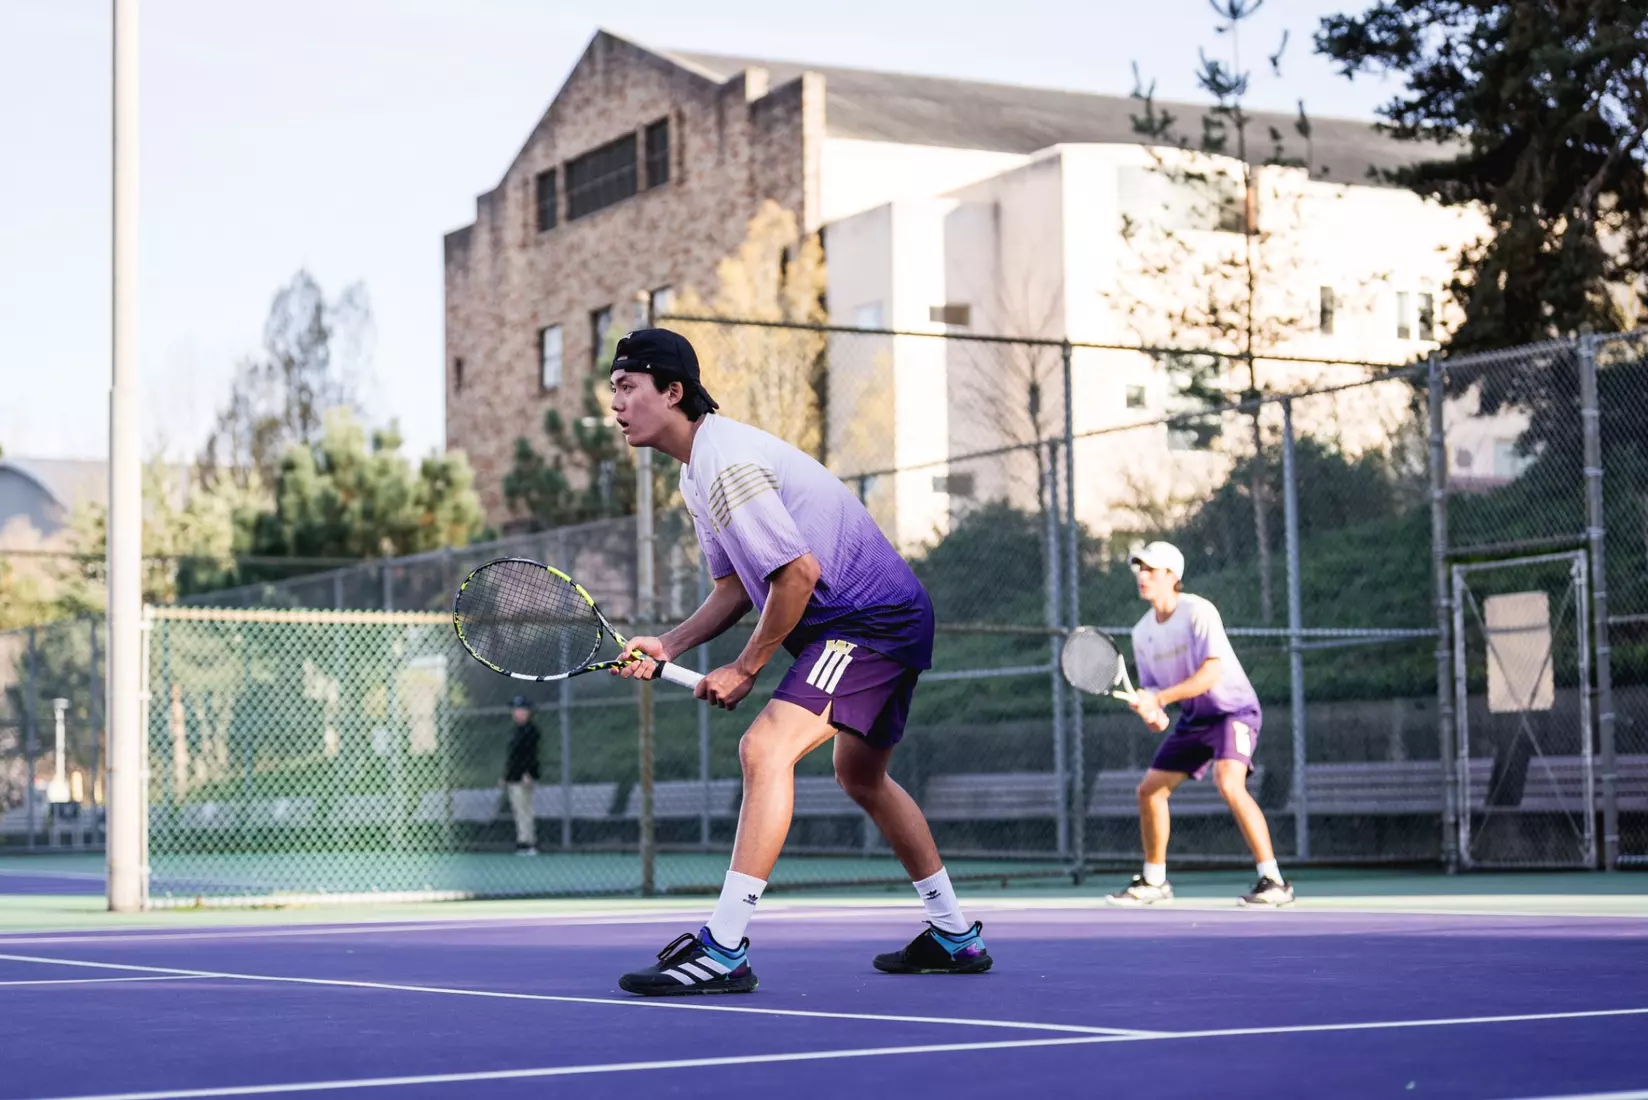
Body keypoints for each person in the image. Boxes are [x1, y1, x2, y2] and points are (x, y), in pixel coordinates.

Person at [605, 328, 990, 996]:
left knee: (765, 750)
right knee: (861, 776)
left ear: (672, 391)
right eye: (614, 388)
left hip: (867, 620)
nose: (616, 403)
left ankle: (723, 948)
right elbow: (735, 585)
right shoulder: (698, 472)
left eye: (627, 386)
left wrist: (746, 669)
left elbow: (797, 574)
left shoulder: (727, 463)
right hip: (866, 617)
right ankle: (955, 935)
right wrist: (671, 644)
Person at [1107, 541, 1295, 909]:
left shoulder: (1198, 611)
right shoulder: (1141, 632)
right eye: (1139, 569)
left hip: (1233, 711)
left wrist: (1160, 700)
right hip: (1195, 719)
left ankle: (1273, 880)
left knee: (1228, 782)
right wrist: (1154, 712)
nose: (1143, 576)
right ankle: (1154, 880)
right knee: (1149, 790)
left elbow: (1210, 674)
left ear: (1172, 576)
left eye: (1151, 569)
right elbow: (1154, 691)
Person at [500, 695, 541, 856]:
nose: (516, 713)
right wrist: (505, 776)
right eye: (515, 710)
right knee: (518, 809)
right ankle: (522, 840)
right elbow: (512, 756)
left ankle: (528, 842)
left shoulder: (531, 731)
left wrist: (528, 773)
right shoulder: (515, 731)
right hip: (513, 777)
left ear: (527, 712)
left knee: (525, 809)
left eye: (520, 710)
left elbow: (531, 755)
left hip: (524, 777)